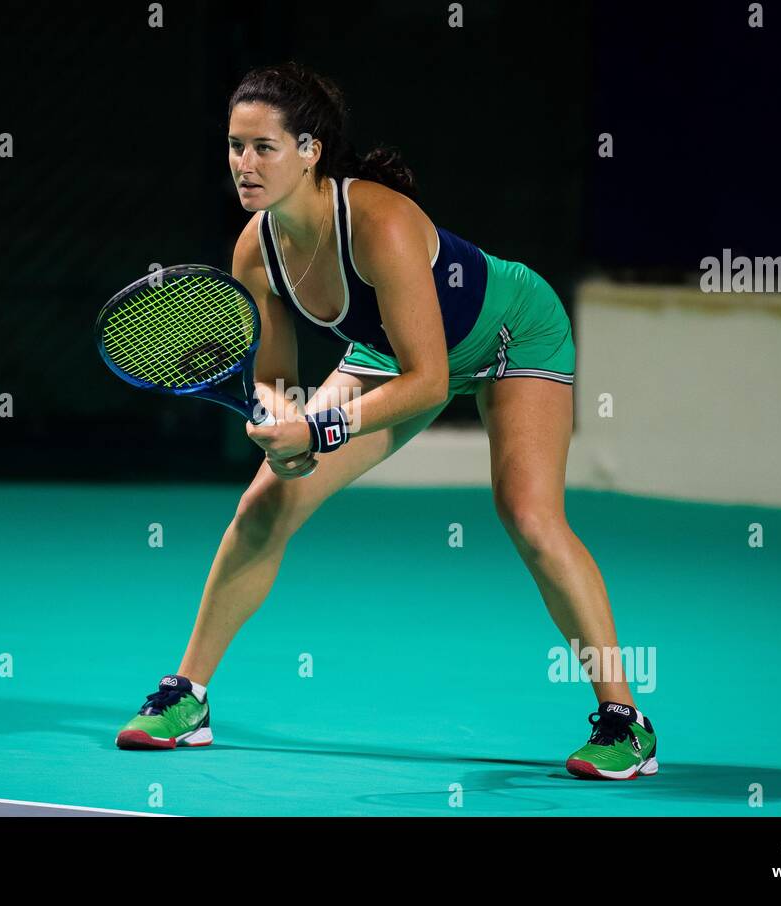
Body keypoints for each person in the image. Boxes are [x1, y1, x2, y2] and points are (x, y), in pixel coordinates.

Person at [116, 63, 657, 780]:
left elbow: (428, 380)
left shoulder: (380, 223)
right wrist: (281, 424)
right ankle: (188, 698)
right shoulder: (256, 248)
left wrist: (321, 430)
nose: (244, 164)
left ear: (310, 150)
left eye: (263, 147)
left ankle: (625, 722)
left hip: (510, 337)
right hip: (388, 353)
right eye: (234, 146)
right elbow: (276, 378)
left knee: (529, 516)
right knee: (264, 502)